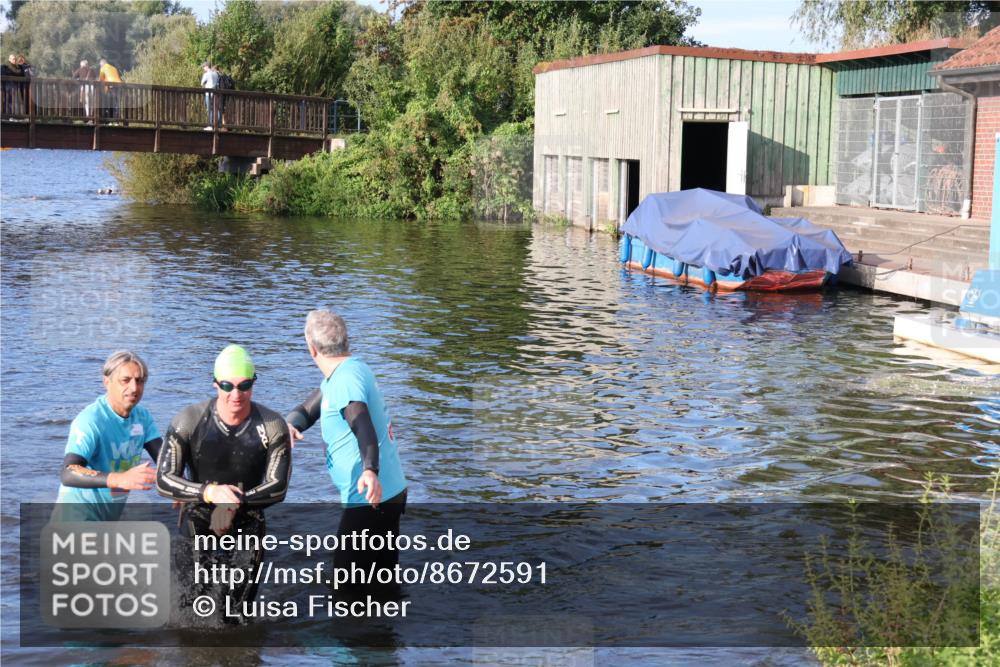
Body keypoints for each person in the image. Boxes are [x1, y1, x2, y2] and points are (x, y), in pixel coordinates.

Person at [156, 345, 291, 620]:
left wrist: (231, 505)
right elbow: (164, 479)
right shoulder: (189, 421)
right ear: (215, 384)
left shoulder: (272, 425)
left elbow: (278, 487)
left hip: (249, 514)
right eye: (227, 386)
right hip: (199, 514)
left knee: (238, 613)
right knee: (190, 608)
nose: (236, 395)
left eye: (244, 386)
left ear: (254, 383)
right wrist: (209, 492)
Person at [286, 310, 408, 596]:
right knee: (381, 587)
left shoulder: (344, 382)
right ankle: (386, 637)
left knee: (346, 589)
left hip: (368, 497)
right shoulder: (350, 369)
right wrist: (290, 424)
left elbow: (361, 423)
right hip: (387, 493)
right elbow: (308, 409)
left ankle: (344, 640)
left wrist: (369, 470)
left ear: (311, 348)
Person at [55, 351, 162, 522]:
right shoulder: (90, 420)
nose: (134, 388)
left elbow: (166, 462)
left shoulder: (143, 417)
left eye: (140, 381)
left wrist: (179, 490)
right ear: (107, 381)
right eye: (125, 380)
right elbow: (68, 473)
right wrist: (120, 479)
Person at [200, 61, 219, 130]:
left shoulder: (207, 74)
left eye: (203, 67)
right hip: (215, 93)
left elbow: (202, 83)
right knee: (216, 109)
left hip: (208, 94)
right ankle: (217, 124)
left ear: (207, 66)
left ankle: (210, 125)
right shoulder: (216, 74)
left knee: (209, 109)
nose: (203, 68)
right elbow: (217, 83)